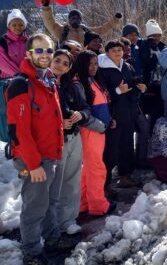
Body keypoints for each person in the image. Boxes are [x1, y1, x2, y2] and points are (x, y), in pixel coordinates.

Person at [6, 33, 73, 263]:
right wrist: (33, 165)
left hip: (51, 154)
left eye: (48, 51)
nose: (45, 55)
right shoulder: (21, 85)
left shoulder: (48, 81)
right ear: (29, 53)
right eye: (39, 51)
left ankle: (52, 238)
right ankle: (31, 251)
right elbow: (19, 132)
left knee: (50, 202)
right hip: (34, 160)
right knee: (34, 207)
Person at [50, 50, 91, 235]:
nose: (60, 65)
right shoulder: (43, 85)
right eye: (57, 60)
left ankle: (68, 220)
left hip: (74, 138)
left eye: (65, 63)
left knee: (72, 181)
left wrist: (80, 115)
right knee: (54, 184)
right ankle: (51, 224)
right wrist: (58, 125)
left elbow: (85, 108)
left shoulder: (72, 86)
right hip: (54, 142)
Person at [97, 40, 147, 188]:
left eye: (120, 50)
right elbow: (100, 92)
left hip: (128, 112)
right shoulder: (102, 69)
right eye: (114, 50)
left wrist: (140, 88)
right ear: (107, 53)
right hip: (113, 115)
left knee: (127, 146)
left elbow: (131, 87)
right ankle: (104, 185)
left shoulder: (127, 66)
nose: (118, 53)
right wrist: (118, 92)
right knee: (111, 149)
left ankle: (125, 176)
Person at [73, 51, 115, 216]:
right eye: (90, 64)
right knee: (96, 167)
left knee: (89, 168)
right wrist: (99, 125)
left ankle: (84, 203)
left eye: (95, 63)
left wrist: (109, 119)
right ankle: (98, 205)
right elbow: (84, 110)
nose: (93, 67)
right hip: (91, 130)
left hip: (98, 129)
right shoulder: (79, 83)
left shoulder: (92, 81)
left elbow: (100, 105)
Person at [40, 2, 121, 46]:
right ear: (69, 19)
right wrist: (46, 8)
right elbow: (49, 22)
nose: (75, 20)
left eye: (77, 18)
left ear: (81, 19)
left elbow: (102, 29)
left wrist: (115, 19)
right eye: (72, 17)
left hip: (85, 60)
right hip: (69, 60)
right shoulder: (62, 30)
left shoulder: (86, 30)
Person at [0, 9, 29, 79]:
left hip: (27, 78)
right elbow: (3, 64)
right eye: (14, 25)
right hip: (8, 79)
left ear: (24, 26)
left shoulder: (29, 41)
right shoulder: (2, 43)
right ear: (9, 26)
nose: (18, 27)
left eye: (21, 25)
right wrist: (19, 75)